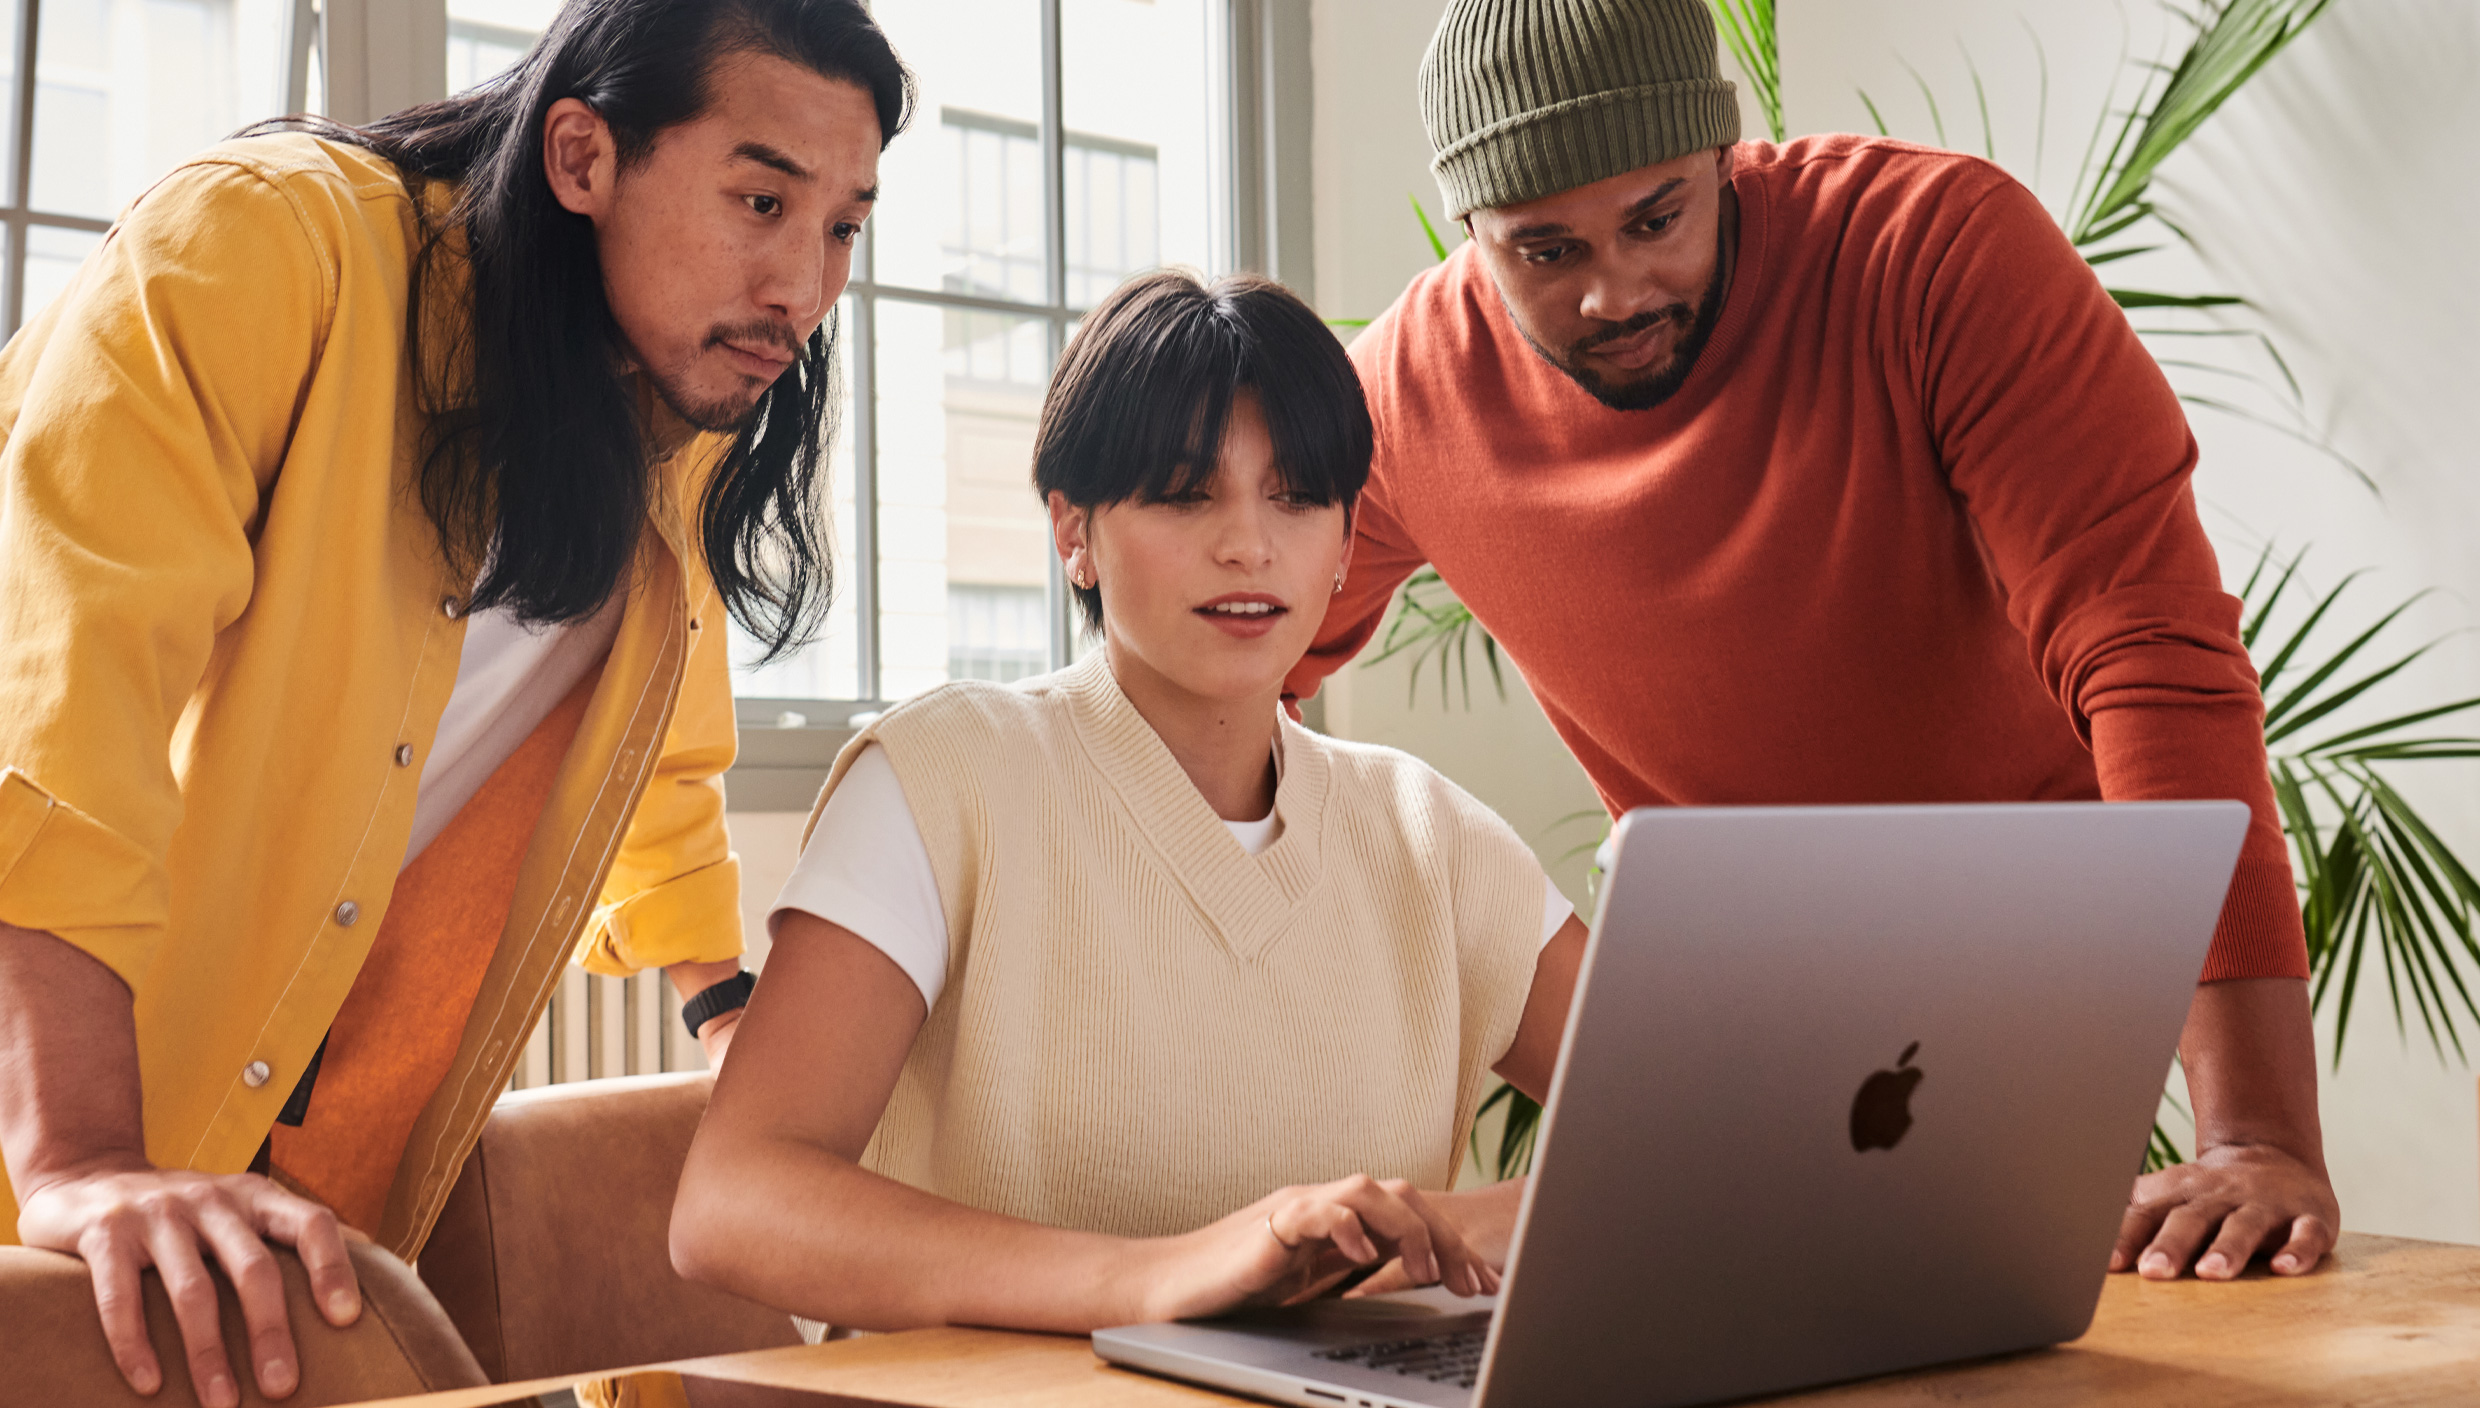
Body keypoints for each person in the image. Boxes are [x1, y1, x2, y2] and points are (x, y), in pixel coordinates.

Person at [1285, 0, 2338, 1285]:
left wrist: (2252, 1132)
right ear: (1471, 232)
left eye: (1655, 217)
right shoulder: (1400, 400)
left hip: (2054, 953)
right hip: (1747, 1013)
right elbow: (1237, 662)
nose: (1613, 291)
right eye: (1543, 251)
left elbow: (2149, 654)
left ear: (1719, 154)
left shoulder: (1935, 253)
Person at [0, 2, 908, 1402]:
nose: (803, 283)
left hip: (276, 1128)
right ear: (583, 155)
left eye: (843, 227)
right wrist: (76, 1157)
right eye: (759, 199)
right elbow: (62, 698)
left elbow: (658, 751)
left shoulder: (674, 396)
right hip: (50, 1100)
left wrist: (730, 1010)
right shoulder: (260, 250)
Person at [669, 270, 1588, 1330]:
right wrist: (1158, 1277)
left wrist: (1468, 1226)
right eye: (1184, 492)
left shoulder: (1432, 837)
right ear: (1072, 531)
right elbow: (733, 1202)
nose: (1248, 543)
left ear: (1345, 545)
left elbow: (1711, 1129)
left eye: (1296, 496)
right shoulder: (942, 777)